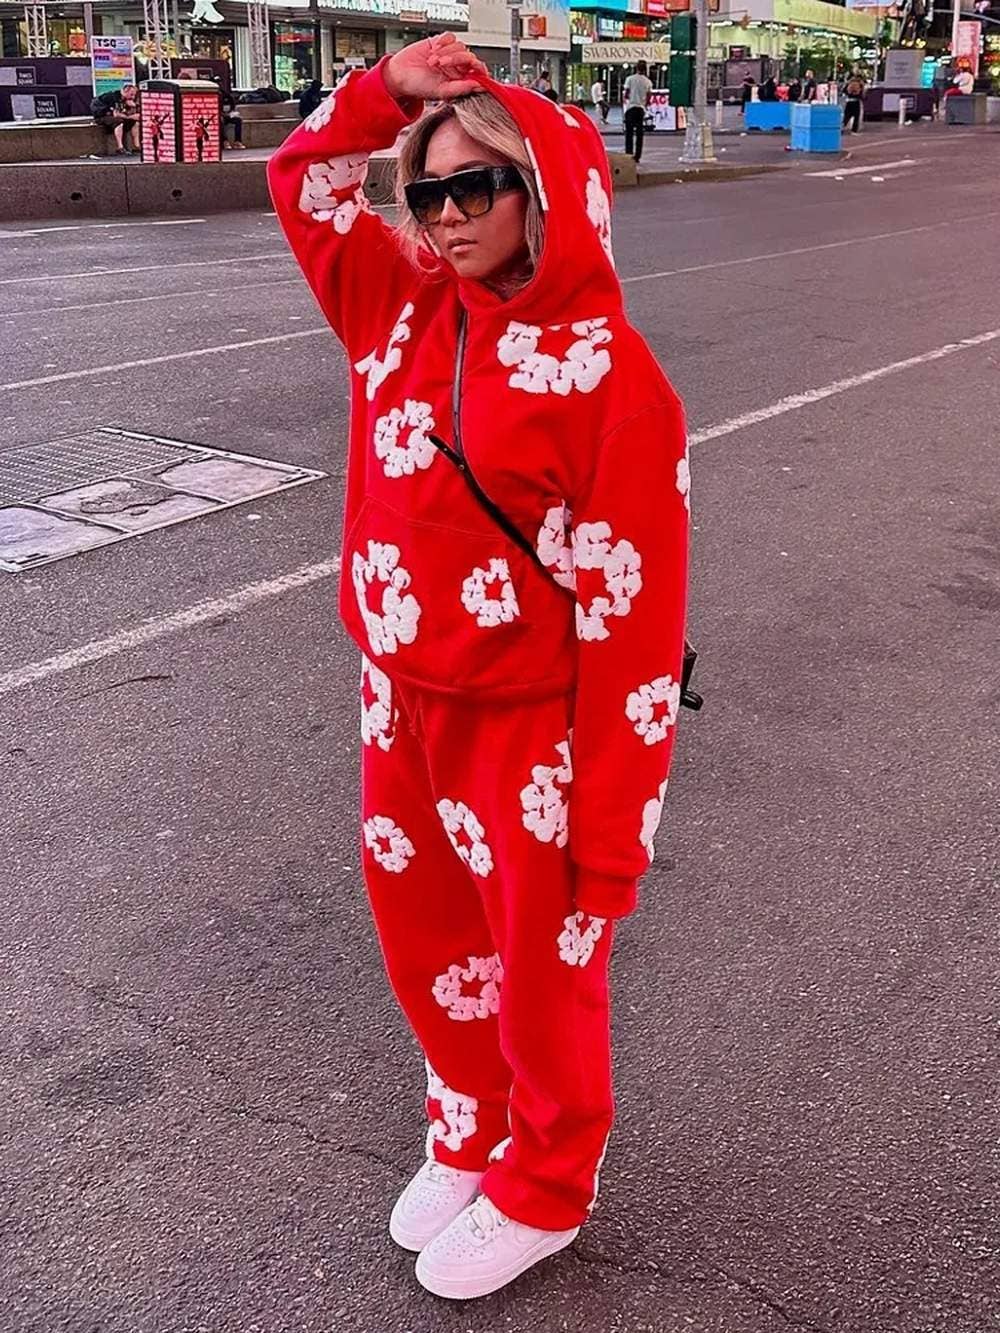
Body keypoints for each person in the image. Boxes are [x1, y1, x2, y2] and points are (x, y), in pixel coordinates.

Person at [268, 31, 688, 1303]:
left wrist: (610, 837)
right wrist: (382, 93)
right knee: (428, 936)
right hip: (398, 695)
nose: (445, 215)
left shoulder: (614, 382)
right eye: (427, 189)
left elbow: (634, 633)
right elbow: (303, 181)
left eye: (476, 187)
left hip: (531, 731)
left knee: (546, 969)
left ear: (539, 190)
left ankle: (549, 1179)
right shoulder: (394, 308)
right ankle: (469, 1121)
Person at [90, 82, 139, 154]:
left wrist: (134, 107)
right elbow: (116, 114)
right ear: (125, 91)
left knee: (135, 122)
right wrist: (130, 117)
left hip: (113, 115)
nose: (133, 97)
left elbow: (127, 113)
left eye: (134, 95)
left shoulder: (126, 100)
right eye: (131, 94)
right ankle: (120, 147)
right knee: (119, 122)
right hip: (102, 115)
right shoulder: (113, 97)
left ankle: (136, 146)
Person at [622, 59, 652, 163]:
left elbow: (626, 94)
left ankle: (629, 154)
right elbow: (649, 96)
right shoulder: (648, 81)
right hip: (640, 109)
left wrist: (630, 97)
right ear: (645, 69)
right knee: (639, 134)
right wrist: (645, 103)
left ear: (636, 68)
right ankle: (637, 156)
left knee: (629, 133)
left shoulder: (630, 79)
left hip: (631, 108)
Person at [842, 68, 865, 133]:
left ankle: (841, 127)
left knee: (846, 116)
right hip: (856, 101)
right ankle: (854, 130)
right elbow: (862, 93)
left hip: (849, 101)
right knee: (856, 117)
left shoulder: (849, 82)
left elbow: (844, 91)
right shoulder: (860, 83)